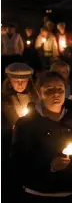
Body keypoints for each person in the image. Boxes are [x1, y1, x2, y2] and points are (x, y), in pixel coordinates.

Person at [10, 71, 72, 203]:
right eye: (49, 89)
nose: (56, 93)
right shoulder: (26, 124)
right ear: (39, 92)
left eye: (60, 89)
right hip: (37, 194)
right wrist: (50, 167)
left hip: (70, 194)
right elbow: (18, 162)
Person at [1, 63, 38, 202]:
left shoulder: (35, 98)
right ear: (9, 81)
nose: (20, 84)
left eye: (24, 81)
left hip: (31, 145)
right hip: (9, 144)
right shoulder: (3, 99)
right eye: (16, 81)